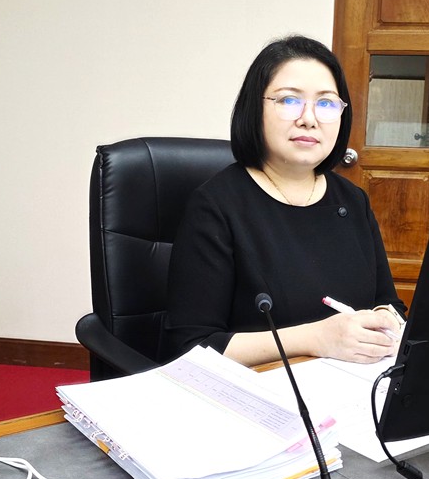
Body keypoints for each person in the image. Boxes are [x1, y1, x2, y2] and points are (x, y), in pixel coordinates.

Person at [162, 35, 406, 367]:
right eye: (289, 100)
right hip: (259, 384)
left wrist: (385, 317)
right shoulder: (215, 206)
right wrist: (317, 338)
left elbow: (387, 302)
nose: (309, 118)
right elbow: (190, 346)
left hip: (351, 385)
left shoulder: (353, 200)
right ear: (255, 108)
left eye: (326, 104)